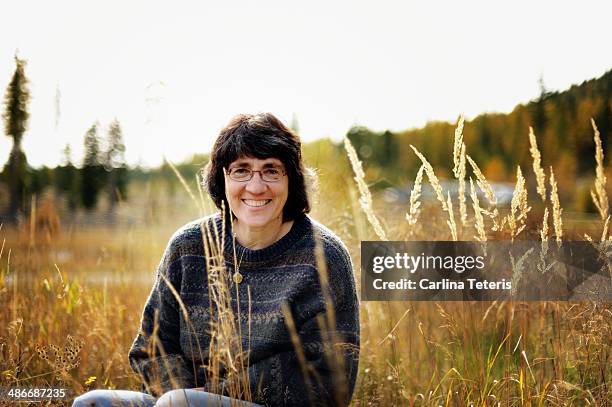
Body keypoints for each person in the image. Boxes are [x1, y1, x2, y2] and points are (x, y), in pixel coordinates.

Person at [72, 113, 360, 407]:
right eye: (241, 170)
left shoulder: (323, 257)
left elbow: (331, 382)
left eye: (271, 170)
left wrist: (206, 395)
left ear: (291, 179)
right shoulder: (189, 246)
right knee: (91, 403)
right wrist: (180, 394)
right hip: (173, 402)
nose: (256, 186)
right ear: (222, 177)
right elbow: (152, 348)